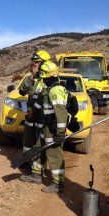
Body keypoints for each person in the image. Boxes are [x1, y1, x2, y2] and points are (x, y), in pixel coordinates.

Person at [20, 61, 68, 193]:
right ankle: (36, 174)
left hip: (52, 128)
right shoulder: (48, 89)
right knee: (38, 147)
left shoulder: (56, 91)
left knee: (54, 154)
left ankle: (58, 183)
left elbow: (62, 114)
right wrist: (31, 114)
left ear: (47, 76)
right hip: (44, 125)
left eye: (42, 76)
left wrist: (60, 133)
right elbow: (39, 103)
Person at [18, 50, 51, 173]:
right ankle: (27, 161)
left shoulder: (49, 78)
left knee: (41, 142)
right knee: (27, 141)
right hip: (31, 116)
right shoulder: (32, 78)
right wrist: (31, 77)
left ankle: (41, 166)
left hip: (43, 116)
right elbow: (22, 91)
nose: (35, 65)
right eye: (34, 62)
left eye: (37, 62)